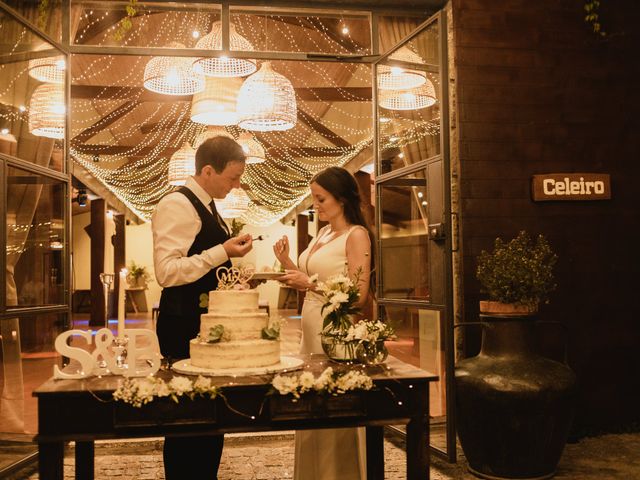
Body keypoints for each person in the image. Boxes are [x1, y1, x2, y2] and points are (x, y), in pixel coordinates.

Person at [152, 136, 253, 480]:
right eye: (233, 177)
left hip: (205, 322)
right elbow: (167, 272)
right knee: (187, 419)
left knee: (210, 417)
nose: (237, 185)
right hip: (183, 324)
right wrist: (223, 252)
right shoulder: (177, 204)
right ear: (208, 170)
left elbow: (205, 262)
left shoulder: (208, 204)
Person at [273, 166, 375, 480]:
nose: (315, 205)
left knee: (333, 404)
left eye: (321, 199)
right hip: (310, 328)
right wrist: (287, 264)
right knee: (311, 404)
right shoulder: (323, 232)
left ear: (342, 199)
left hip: (335, 330)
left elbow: (358, 296)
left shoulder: (356, 235)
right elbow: (312, 280)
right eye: (313, 199)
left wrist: (309, 283)